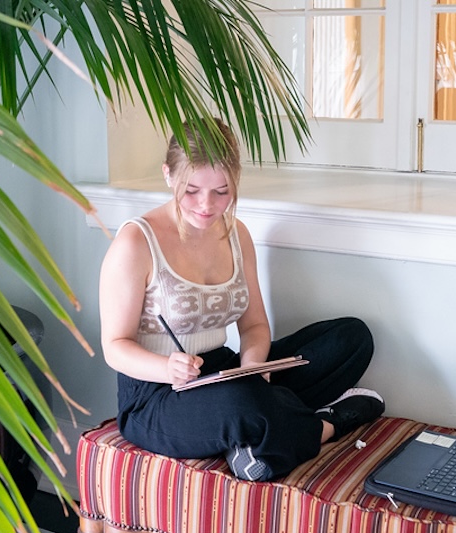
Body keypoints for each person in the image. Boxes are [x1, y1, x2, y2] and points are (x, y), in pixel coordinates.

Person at [98, 119, 382, 482]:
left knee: (351, 338)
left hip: (224, 371)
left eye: (222, 191)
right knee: (238, 404)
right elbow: (114, 347)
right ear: (169, 175)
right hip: (157, 394)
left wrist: (254, 367)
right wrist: (167, 368)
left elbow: (254, 325)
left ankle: (259, 423)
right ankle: (326, 425)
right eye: (192, 190)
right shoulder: (136, 244)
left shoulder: (236, 234)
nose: (206, 205)